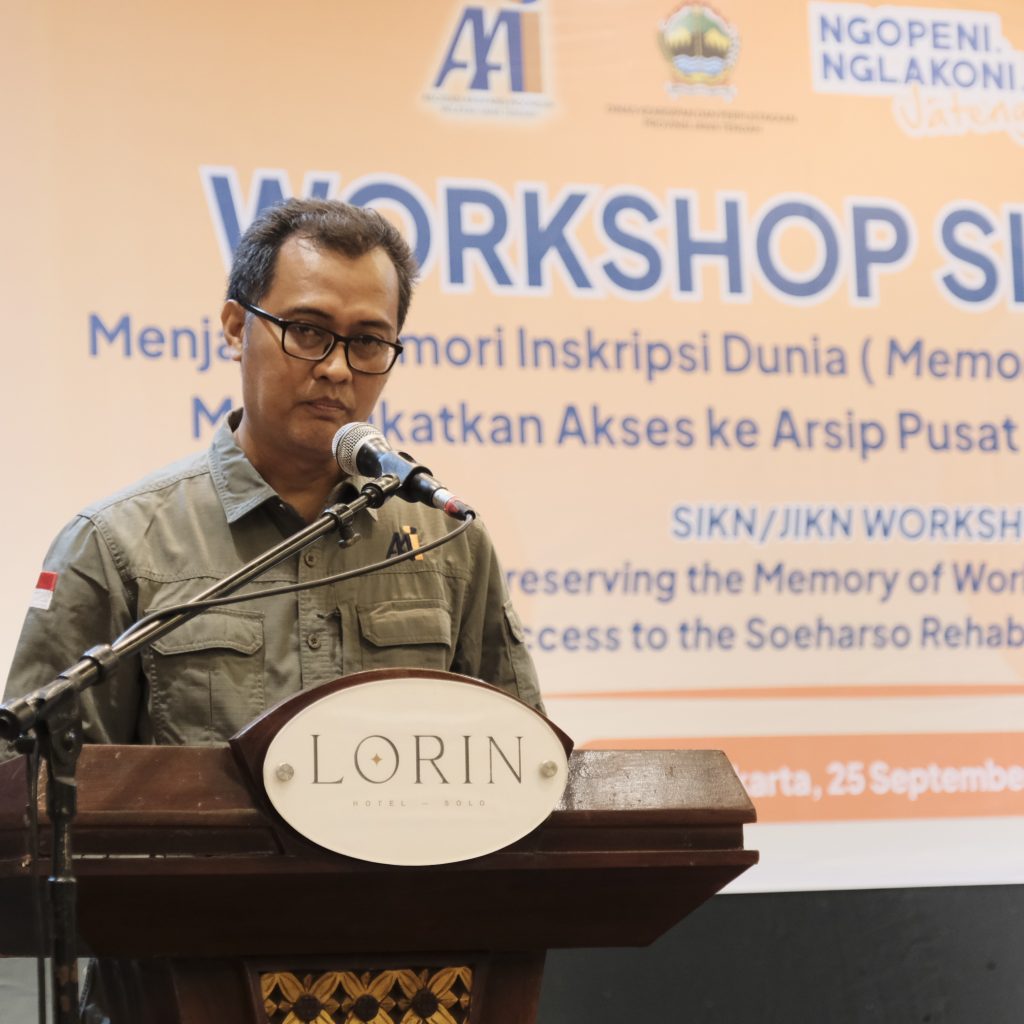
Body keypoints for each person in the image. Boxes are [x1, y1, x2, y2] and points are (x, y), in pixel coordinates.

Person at [2, 198, 542, 747]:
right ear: (237, 329)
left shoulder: (450, 540)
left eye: (367, 342)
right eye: (306, 330)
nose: (336, 368)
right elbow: (37, 781)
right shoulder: (116, 546)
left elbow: (523, 755)